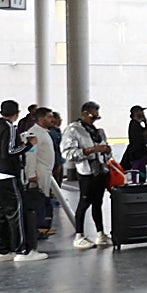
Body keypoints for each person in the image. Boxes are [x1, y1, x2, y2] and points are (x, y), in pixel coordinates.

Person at [0, 99, 46, 261]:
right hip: (8, 176)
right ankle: (22, 251)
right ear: (16, 114)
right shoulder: (9, 128)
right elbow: (11, 150)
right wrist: (28, 145)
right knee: (15, 213)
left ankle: (2, 250)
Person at [62, 101, 113, 249]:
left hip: (100, 171)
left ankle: (100, 233)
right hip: (86, 172)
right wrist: (90, 150)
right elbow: (68, 153)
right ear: (84, 114)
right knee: (84, 202)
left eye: (97, 117)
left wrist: (106, 150)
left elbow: (106, 150)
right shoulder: (73, 130)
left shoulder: (97, 131)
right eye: (92, 116)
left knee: (98, 203)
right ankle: (79, 235)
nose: (94, 120)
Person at [24, 107, 57, 237]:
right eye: (49, 117)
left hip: (46, 171)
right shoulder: (33, 133)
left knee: (44, 199)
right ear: (41, 118)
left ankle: (44, 226)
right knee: (39, 201)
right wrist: (31, 174)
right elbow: (30, 154)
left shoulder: (44, 132)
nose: (52, 119)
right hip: (39, 172)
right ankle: (37, 228)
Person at [121, 105, 147, 181]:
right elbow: (140, 139)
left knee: (141, 171)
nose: (142, 113)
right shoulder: (134, 124)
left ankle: (140, 183)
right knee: (137, 172)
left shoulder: (137, 124)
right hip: (136, 154)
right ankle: (137, 185)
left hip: (140, 153)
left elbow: (145, 134)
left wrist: (145, 122)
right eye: (140, 111)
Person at [48, 111, 64, 187]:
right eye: (59, 118)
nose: (61, 120)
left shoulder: (54, 131)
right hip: (55, 162)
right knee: (56, 184)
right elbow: (55, 149)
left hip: (56, 161)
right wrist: (58, 164)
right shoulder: (53, 133)